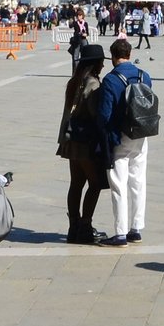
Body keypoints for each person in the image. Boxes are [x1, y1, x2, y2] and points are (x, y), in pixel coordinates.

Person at [96, 38, 154, 246]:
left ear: (113, 56)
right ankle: (136, 228)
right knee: (138, 182)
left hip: (120, 137)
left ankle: (120, 233)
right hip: (141, 134)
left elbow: (104, 115)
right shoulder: (144, 75)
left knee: (119, 185)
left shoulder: (111, 80)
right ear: (129, 54)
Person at [58, 46, 108, 244]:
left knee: (76, 184)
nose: (103, 65)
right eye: (101, 62)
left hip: (71, 139)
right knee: (95, 183)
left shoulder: (74, 81)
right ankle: (85, 228)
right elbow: (96, 113)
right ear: (94, 63)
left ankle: (74, 227)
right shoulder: (93, 84)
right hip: (85, 141)